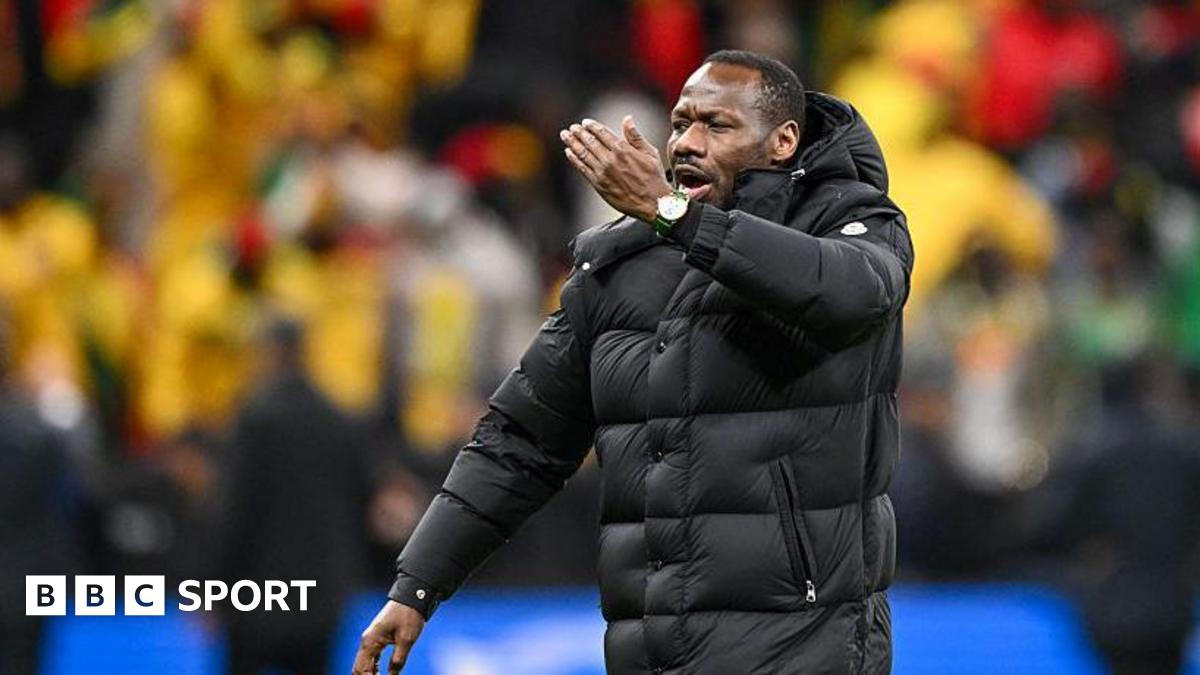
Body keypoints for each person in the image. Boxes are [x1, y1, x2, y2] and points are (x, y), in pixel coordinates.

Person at [354, 49, 913, 674]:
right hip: (652, 653)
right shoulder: (621, 264)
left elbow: (846, 294)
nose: (687, 143)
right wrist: (418, 584)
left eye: (717, 125)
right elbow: (520, 440)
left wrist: (674, 216)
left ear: (783, 141)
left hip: (804, 646)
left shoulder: (852, 224)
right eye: (680, 124)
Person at [223, 318, 372, 675]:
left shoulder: (257, 418)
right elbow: (363, 501)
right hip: (321, 596)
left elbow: (234, 510)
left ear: (271, 352)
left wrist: (213, 586)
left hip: (257, 594)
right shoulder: (337, 419)